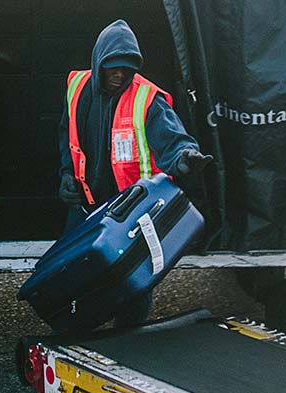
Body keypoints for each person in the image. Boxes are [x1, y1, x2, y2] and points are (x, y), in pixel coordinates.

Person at [57, 19, 211, 327]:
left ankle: (127, 344)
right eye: (113, 67)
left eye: (127, 68)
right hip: (87, 207)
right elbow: (66, 135)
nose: (120, 74)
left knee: (133, 286)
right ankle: (74, 337)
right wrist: (65, 175)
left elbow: (173, 140)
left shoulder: (147, 100)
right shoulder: (77, 89)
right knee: (72, 279)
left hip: (130, 215)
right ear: (99, 63)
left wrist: (184, 159)